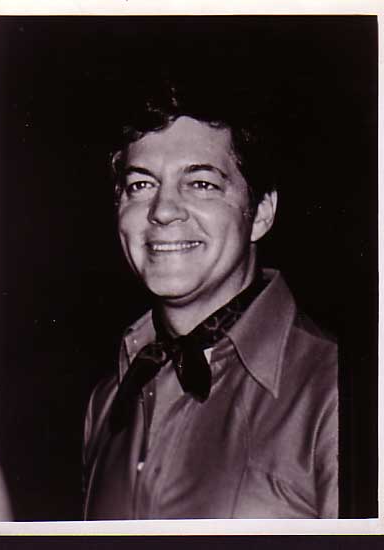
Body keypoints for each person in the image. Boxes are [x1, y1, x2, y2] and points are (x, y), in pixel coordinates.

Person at [82, 80, 338, 519]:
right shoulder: (106, 401)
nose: (163, 210)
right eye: (141, 185)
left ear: (261, 212)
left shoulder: (337, 394)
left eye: (201, 183)